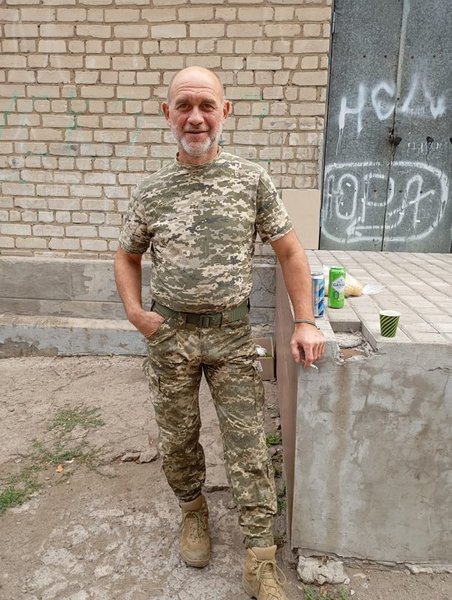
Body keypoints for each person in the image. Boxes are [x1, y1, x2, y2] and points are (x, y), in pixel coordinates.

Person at [114, 66, 326, 600]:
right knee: (178, 437)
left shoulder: (251, 180)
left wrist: (304, 320)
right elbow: (127, 254)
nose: (196, 117)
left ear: (225, 111)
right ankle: (193, 512)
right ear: (167, 114)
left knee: (248, 443)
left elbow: (290, 251)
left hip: (231, 337)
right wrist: (136, 313)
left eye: (207, 105)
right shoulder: (152, 191)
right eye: (184, 106)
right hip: (171, 337)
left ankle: (260, 557)